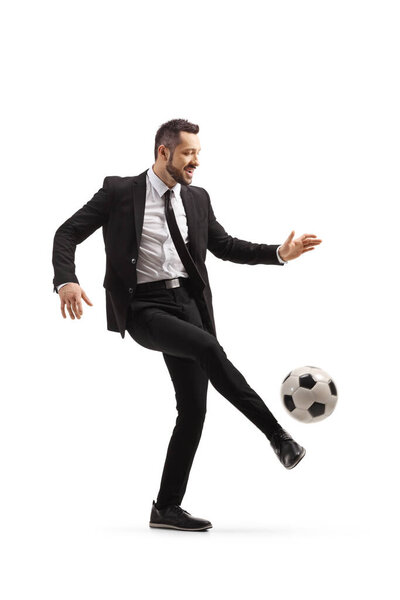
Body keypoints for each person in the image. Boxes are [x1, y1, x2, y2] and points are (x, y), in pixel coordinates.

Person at [52, 118, 322, 532]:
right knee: (210, 350)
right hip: (144, 307)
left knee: (194, 409)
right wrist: (67, 280)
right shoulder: (120, 191)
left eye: (198, 153)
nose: (196, 161)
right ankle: (279, 438)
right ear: (164, 152)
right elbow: (67, 232)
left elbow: (225, 246)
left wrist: (279, 253)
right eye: (188, 153)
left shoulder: (197, 198)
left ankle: (166, 508)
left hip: (189, 304)